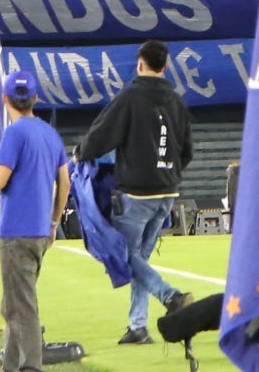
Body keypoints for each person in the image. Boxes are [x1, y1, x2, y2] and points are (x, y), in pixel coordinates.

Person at [78, 39, 195, 346]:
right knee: (140, 258)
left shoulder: (131, 96)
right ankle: (138, 326)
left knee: (124, 254)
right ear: (166, 67)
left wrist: (81, 152)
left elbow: (102, 135)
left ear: (140, 63)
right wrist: (169, 174)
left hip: (138, 193)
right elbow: (187, 150)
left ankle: (170, 296)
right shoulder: (177, 101)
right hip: (168, 192)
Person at [0, 70, 70, 372]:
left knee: (21, 306)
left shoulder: (15, 133)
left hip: (16, 231)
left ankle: (31, 366)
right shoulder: (49, 133)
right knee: (13, 304)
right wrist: (54, 223)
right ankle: (10, 365)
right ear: (35, 98)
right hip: (39, 230)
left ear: (4, 99)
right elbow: (64, 183)